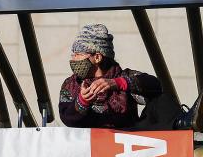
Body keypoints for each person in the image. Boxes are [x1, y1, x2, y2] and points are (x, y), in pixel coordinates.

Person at [58, 24, 200, 130]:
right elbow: (67, 119)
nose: (73, 59)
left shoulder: (123, 76)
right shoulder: (70, 84)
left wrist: (118, 83)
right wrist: (82, 101)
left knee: (161, 100)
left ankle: (183, 123)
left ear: (97, 57)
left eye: (78, 54)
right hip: (90, 148)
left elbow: (155, 86)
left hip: (128, 143)